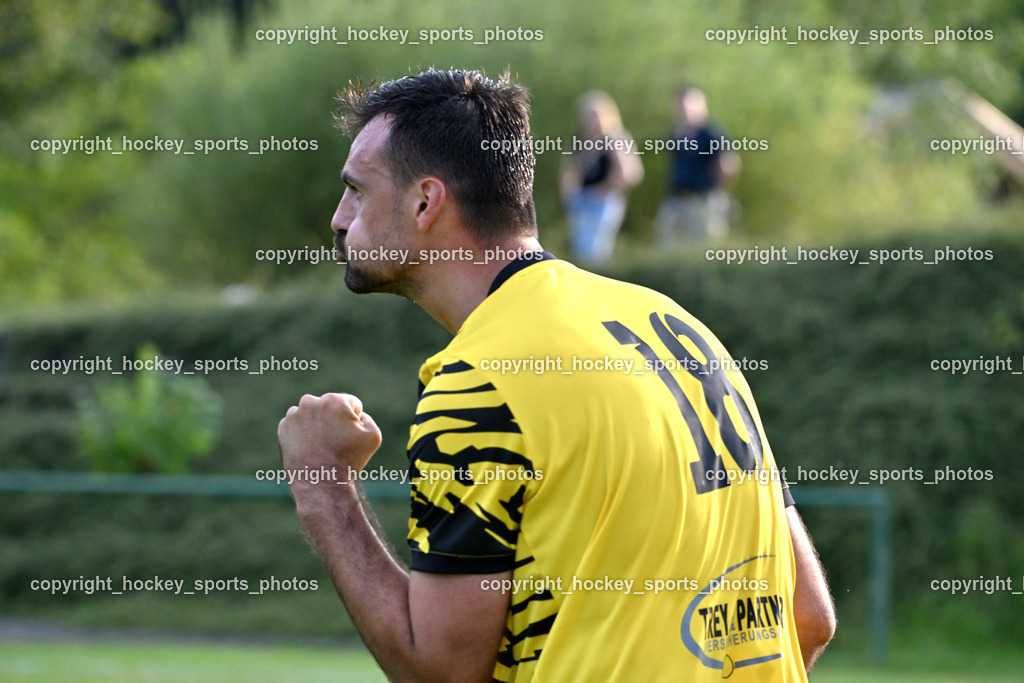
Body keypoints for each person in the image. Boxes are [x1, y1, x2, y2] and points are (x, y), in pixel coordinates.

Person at [277, 68, 835, 682]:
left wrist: (323, 485)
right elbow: (808, 619)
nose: (337, 218)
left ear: (424, 202)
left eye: (356, 191)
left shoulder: (477, 383)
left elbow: (440, 671)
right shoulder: (677, 328)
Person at [559, 90, 643, 264]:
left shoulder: (617, 138)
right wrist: (569, 191)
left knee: (596, 250)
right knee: (580, 250)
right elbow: (569, 169)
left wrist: (605, 188)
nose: (593, 120)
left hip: (604, 200)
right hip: (582, 199)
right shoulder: (581, 139)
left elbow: (631, 173)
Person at [654, 86, 741, 245]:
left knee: (705, 245)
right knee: (667, 241)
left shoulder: (711, 134)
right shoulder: (676, 133)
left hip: (703, 199)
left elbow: (728, 165)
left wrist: (718, 192)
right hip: (677, 198)